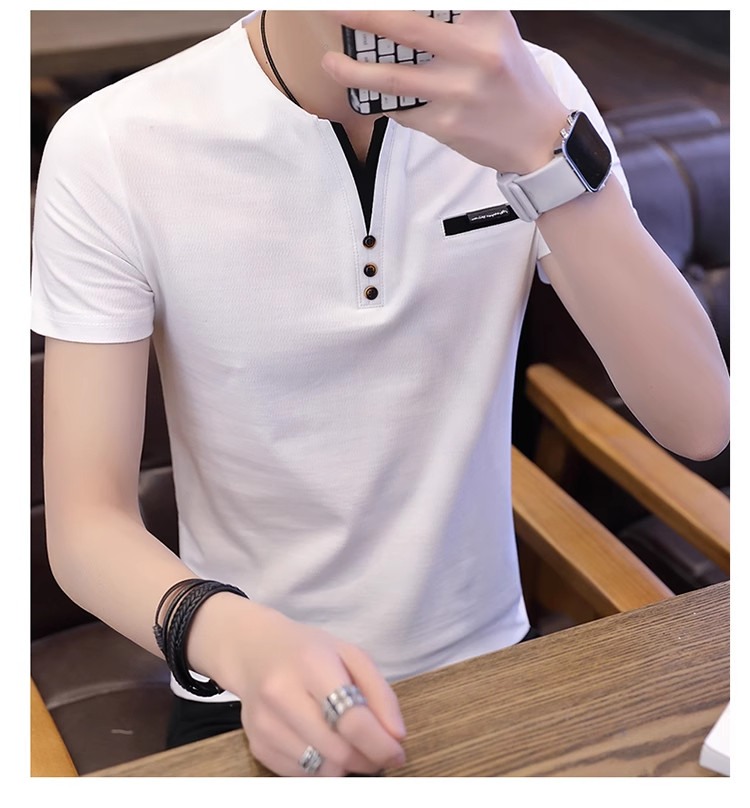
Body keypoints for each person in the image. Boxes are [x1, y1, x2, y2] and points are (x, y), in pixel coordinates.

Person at [31, 10, 729, 777]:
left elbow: (698, 422)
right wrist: (243, 642)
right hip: (244, 675)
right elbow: (87, 527)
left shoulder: (537, 91)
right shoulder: (113, 143)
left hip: (493, 663)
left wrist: (545, 154)